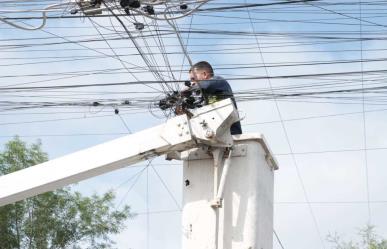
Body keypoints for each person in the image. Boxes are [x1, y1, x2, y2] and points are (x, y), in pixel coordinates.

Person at [188, 61, 242, 135]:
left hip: (232, 135)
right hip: (213, 136)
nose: (192, 83)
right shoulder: (200, 97)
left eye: (193, 79)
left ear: (204, 74)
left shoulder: (218, 81)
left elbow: (207, 85)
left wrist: (187, 90)